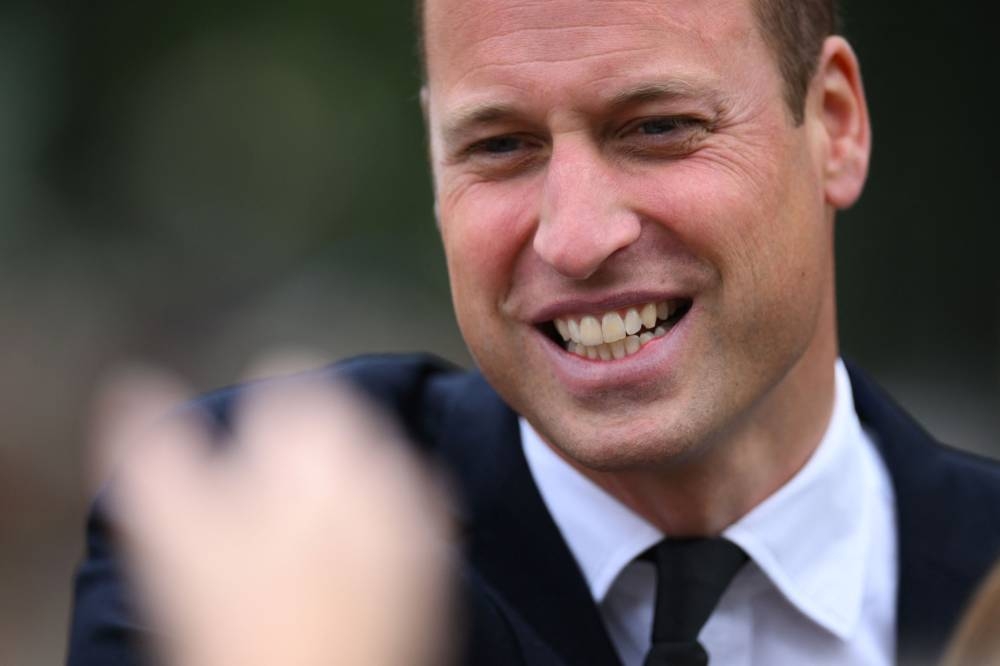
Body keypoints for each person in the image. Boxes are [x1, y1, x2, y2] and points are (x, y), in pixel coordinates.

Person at [68, 0, 1000, 665]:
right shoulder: (243, 542)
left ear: (834, 126)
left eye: (659, 127)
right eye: (500, 146)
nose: (576, 237)